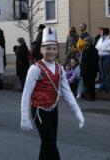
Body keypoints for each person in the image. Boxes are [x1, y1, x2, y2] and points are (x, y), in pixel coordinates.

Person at [20, 27, 84, 160]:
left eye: (54, 48)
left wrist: (77, 111)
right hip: (39, 110)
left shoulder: (59, 68)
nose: (51, 51)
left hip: (53, 109)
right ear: (41, 50)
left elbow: (67, 92)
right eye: (48, 48)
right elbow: (26, 93)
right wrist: (24, 116)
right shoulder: (35, 69)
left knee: (48, 143)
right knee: (51, 146)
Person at [95, 27, 110, 93]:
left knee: (107, 72)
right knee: (102, 73)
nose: (100, 33)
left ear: (104, 32)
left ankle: (108, 87)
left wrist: (104, 49)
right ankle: (102, 85)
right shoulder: (100, 39)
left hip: (107, 57)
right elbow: (96, 46)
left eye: (101, 32)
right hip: (100, 57)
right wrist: (100, 48)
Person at [80, 36, 99, 100]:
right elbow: (83, 60)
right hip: (84, 70)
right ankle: (86, 95)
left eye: (86, 41)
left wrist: (89, 68)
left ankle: (91, 96)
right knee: (85, 83)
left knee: (90, 84)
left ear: (90, 42)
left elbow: (94, 61)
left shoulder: (94, 50)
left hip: (90, 71)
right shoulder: (85, 49)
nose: (84, 42)